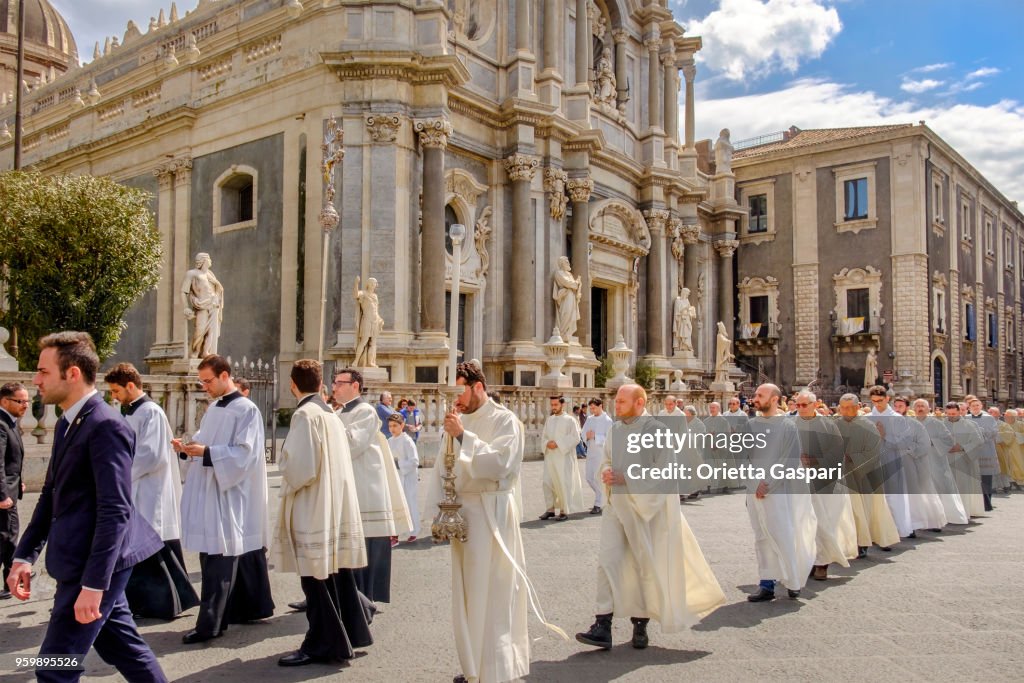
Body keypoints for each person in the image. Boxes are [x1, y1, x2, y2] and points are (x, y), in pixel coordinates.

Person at [8, 331, 167, 682]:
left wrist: (95, 585)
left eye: (43, 372)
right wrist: (24, 556)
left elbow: (115, 511)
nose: (35, 380)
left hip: (94, 568)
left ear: (73, 374)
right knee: (123, 648)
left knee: (53, 669)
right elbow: (51, 494)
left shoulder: (105, 426)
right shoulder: (68, 422)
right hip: (84, 561)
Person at [426, 362, 563, 683]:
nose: (455, 398)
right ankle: (474, 665)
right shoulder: (458, 419)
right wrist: (437, 512)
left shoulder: (505, 420)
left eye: (459, 389)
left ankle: (497, 668)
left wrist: (463, 437)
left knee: (494, 591)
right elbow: (443, 468)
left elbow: (500, 464)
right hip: (464, 515)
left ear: (477, 387)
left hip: (492, 512)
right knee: (468, 594)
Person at [576, 383, 725, 649]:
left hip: (645, 511)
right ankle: (602, 624)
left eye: (622, 401)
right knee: (607, 562)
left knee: (641, 566)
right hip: (616, 506)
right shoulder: (616, 430)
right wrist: (608, 472)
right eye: (617, 400)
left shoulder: (657, 431)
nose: (616, 405)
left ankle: (640, 625)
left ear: (640, 403)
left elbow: (665, 472)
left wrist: (627, 478)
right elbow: (608, 459)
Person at [272, 359, 372, 667]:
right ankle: (350, 634)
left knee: (315, 582)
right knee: (333, 577)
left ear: (293, 385)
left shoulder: (306, 414)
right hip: (333, 505)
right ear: (321, 386)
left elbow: (301, 469)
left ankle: (322, 645)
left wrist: (283, 464)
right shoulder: (329, 414)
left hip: (312, 507)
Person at [174, 354, 274, 644]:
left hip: (230, 492)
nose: (204, 386)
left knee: (219, 558)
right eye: (202, 381)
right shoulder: (215, 407)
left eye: (208, 381)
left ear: (224, 375)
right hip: (212, 487)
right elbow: (205, 441)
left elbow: (245, 453)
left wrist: (204, 453)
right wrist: (187, 448)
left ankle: (210, 625)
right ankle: (240, 610)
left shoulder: (247, 410)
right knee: (214, 554)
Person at [104, 363, 198, 620]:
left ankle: (167, 603)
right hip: (135, 487)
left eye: (116, 391)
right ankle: (142, 603)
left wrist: (118, 474)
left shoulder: (151, 412)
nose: (114, 396)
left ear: (131, 386)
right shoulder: (129, 412)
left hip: (149, 490)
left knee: (153, 544)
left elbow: (151, 455)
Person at [332, 368, 411, 603]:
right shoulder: (337, 413)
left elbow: (352, 445)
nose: (334, 387)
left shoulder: (365, 411)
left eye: (339, 383)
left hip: (365, 490)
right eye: (334, 383)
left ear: (355, 386)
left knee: (364, 546)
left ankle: (364, 598)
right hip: (348, 488)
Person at [744, 384, 817, 602]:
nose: (755, 398)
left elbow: (790, 459)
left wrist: (768, 483)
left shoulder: (787, 426)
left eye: (760, 395)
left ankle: (793, 581)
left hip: (778, 491)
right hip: (753, 490)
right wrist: (754, 482)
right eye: (755, 394)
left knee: (783, 534)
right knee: (761, 537)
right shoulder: (749, 425)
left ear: (775, 399)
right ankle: (766, 583)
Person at [793, 391, 856, 581]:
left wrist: (816, 461)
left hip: (826, 482)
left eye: (805, 405)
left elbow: (837, 453)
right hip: (800, 482)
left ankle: (822, 563)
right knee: (805, 523)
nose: (801, 409)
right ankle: (812, 558)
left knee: (824, 522)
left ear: (814, 405)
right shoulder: (790, 425)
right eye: (798, 405)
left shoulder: (828, 425)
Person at [835, 393, 899, 558]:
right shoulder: (835, 425)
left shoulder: (868, 426)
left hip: (864, 475)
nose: (846, 410)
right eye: (843, 407)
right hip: (843, 474)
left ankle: (863, 542)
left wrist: (852, 458)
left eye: (850, 407)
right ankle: (848, 541)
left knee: (865, 509)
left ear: (857, 407)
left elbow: (873, 451)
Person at [913, 399, 968, 525]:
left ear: (928, 409)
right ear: (914, 409)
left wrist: (932, 442)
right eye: (918, 406)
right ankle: (924, 518)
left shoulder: (936, 423)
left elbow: (948, 440)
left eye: (923, 406)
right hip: (917, 461)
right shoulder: (910, 423)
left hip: (935, 460)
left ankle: (946, 516)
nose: (920, 408)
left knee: (941, 486)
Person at [0, 382, 29, 600]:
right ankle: (12, 581)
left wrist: (19, 483)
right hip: (4, 496)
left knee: (7, 537)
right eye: (20, 401)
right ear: (4, 401)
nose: (25, 405)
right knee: (8, 538)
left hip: (10, 490)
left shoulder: (10, 422)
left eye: (27, 401)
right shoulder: (1, 424)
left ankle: (11, 580)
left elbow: (12, 461)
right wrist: (2, 495)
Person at [539, 396, 584, 521]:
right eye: (552, 405)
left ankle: (564, 510)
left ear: (562, 405)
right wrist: (547, 443)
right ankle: (550, 509)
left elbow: (576, 438)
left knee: (564, 482)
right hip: (550, 456)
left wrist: (558, 443)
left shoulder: (570, 420)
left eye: (555, 405)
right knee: (547, 482)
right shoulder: (549, 420)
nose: (553, 407)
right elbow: (544, 436)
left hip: (564, 457)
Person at [181, 252, 224, 358]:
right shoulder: (192, 273)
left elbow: (218, 289)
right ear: (203, 260)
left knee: (211, 331)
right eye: (209, 258)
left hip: (213, 306)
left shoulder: (211, 274)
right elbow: (183, 291)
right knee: (200, 330)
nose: (211, 260)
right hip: (201, 305)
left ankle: (205, 352)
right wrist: (186, 307)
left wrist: (216, 297)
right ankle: (195, 351)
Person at [387, 412, 420, 542]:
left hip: (408, 478)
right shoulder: (389, 441)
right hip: (395, 477)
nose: (392, 429)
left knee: (410, 503)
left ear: (402, 425)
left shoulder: (407, 441)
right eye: (390, 426)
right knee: (395, 504)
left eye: (395, 425)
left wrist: (399, 463)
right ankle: (395, 533)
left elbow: (415, 461)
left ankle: (414, 530)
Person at [965, 396, 999, 511]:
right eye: (973, 406)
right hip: (972, 451)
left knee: (986, 478)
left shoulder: (989, 418)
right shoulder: (965, 418)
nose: (975, 407)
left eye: (977, 405)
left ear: (981, 406)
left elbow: (994, 432)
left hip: (986, 450)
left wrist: (981, 432)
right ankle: (975, 504)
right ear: (969, 407)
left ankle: (987, 503)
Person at [581, 398, 613, 515]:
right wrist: (587, 436)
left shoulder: (607, 420)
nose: (592, 410)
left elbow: (610, 439)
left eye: (594, 408)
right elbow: (583, 433)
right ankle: (603, 497)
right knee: (589, 478)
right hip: (590, 452)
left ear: (601, 406)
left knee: (598, 478)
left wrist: (596, 436)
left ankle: (598, 503)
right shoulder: (589, 419)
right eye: (591, 408)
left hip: (601, 454)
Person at [353, 276, 385, 368]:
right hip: (366, 319)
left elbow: (376, 310)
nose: (373, 285)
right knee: (364, 341)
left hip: (375, 320)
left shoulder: (375, 296)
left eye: (374, 283)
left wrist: (380, 319)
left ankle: (370, 362)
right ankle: (356, 361)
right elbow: (355, 295)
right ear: (367, 284)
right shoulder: (363, 293)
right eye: (371, 283)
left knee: (373, 343)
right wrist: (356, 284)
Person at [552, 256, 582, 342]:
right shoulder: (559, 273)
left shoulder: (569, 274)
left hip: (571, 296)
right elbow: (568, 283)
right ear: (562, 264)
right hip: (565, 297)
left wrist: (577, 285)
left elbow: (574, 286)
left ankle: (568, 333)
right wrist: (576, 283)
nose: (569, 263)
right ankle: (562, 333)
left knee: (571, 313)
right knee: (566, 313)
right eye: (567, 262)